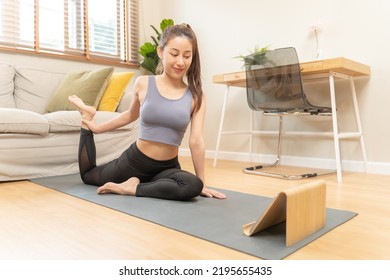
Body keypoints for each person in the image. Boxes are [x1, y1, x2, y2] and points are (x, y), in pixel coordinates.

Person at [68, 23, 226, 201]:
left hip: (167, 168)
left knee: (193, 186)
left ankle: (132, 188)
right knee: (88, 176)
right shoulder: (144, 83)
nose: (180, 61)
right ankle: (86, 118)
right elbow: (130, 115)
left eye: (187, 56)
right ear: (160, 52)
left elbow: (196, 141)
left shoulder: (196, 96)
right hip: (135, 161)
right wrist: (95, 128)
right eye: (174, 54)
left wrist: (202, 183)